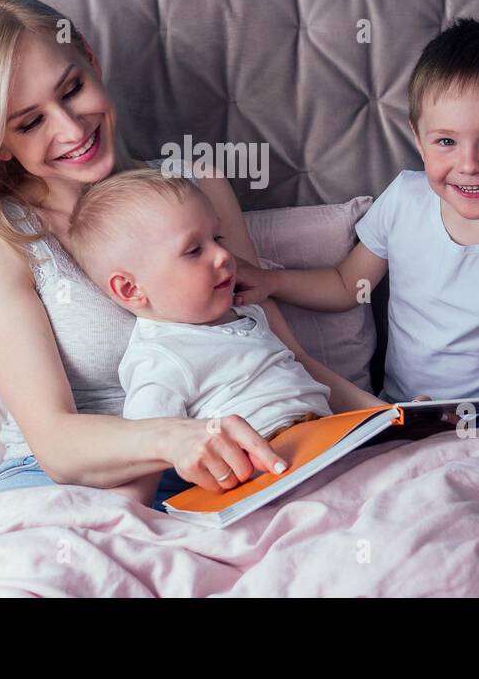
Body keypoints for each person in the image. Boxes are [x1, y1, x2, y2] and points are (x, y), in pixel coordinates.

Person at [0, 0, 386, 513]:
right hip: (62, 484)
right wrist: (174, 439)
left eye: (72, 90)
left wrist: (395, 421)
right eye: (29, 123)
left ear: (91, 62)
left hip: (225, 466)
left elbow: (284, 357)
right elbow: (54, 444)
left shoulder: (196, 185)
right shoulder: (3, 243)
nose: (71, 129)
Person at [232, 19, 479, 488]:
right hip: (410, 421)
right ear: (419, 139)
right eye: (446, 141)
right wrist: (272, 281)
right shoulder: (404, 200)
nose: (469, 164)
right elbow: (347, 285)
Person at [62, 167, 335, 506]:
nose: (223, 255)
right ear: (131, 289)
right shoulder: (160, 357)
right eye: (194, 250)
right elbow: (146, 456)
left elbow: (305, 376)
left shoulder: (247, 312)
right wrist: (131, 516)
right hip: (266, 476)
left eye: (217, 239)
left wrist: (393, 415)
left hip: (329, 441)